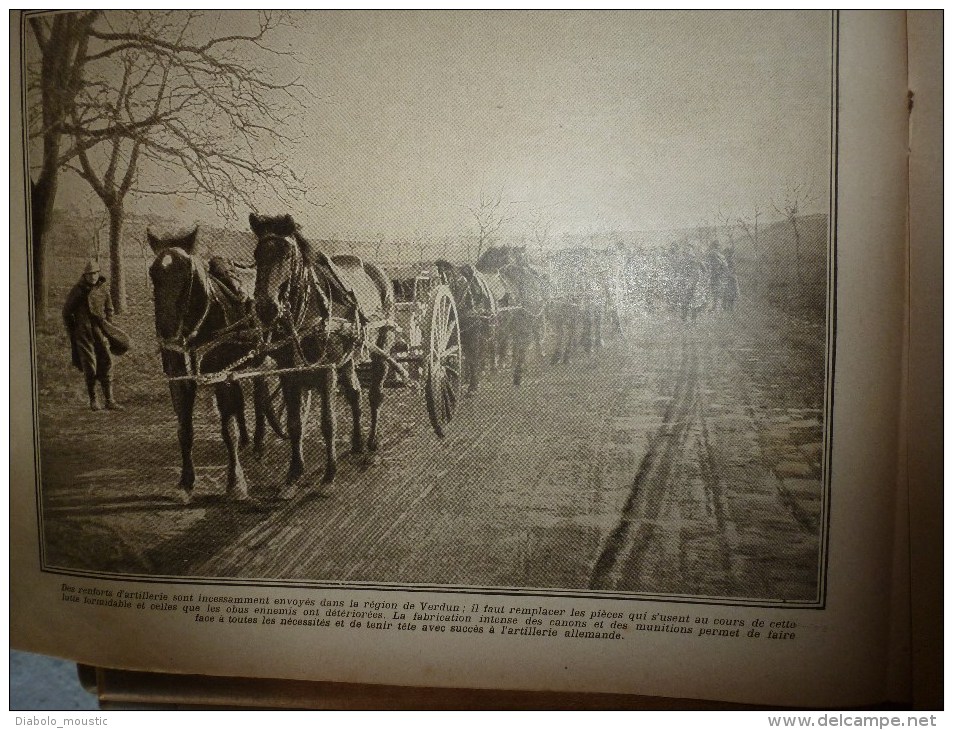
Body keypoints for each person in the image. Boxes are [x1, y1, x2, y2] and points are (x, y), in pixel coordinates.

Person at [63, 259, 125, 411]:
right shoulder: (78, 290)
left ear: (99, 273)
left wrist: (108, 326)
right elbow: (66, 312)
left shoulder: (103, 289)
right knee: (90, 365)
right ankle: (93, 400)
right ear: (85, 275)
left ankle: (109, 400)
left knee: (107, 361)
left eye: (95, 273)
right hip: (83, 333)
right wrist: (75, 329)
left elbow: (109, 308)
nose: (92, 277)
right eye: (89, 274)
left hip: (100, 331)